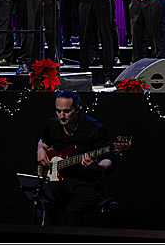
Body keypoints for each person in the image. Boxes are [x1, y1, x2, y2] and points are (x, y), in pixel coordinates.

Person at [36, 91, 115, 227]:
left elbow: (108, 160)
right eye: (58, 111)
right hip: (61, 181)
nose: (62, 116)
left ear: (77, 109)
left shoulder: (94, 129)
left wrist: (97, 167)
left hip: (87, 183)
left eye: (66, 111)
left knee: (72, 211)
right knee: (45, 202)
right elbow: (43, 142)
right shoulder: (53, 125)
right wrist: (40, 150)